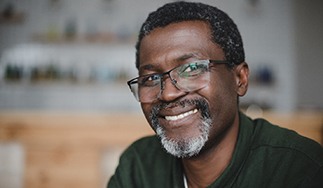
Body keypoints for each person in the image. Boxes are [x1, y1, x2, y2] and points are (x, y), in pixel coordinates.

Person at [108, 1, 323, 187]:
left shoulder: (299, 169)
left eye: (191, 69)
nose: (168, 94)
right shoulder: (138, 167)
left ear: (240, 78)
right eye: (151, 79)